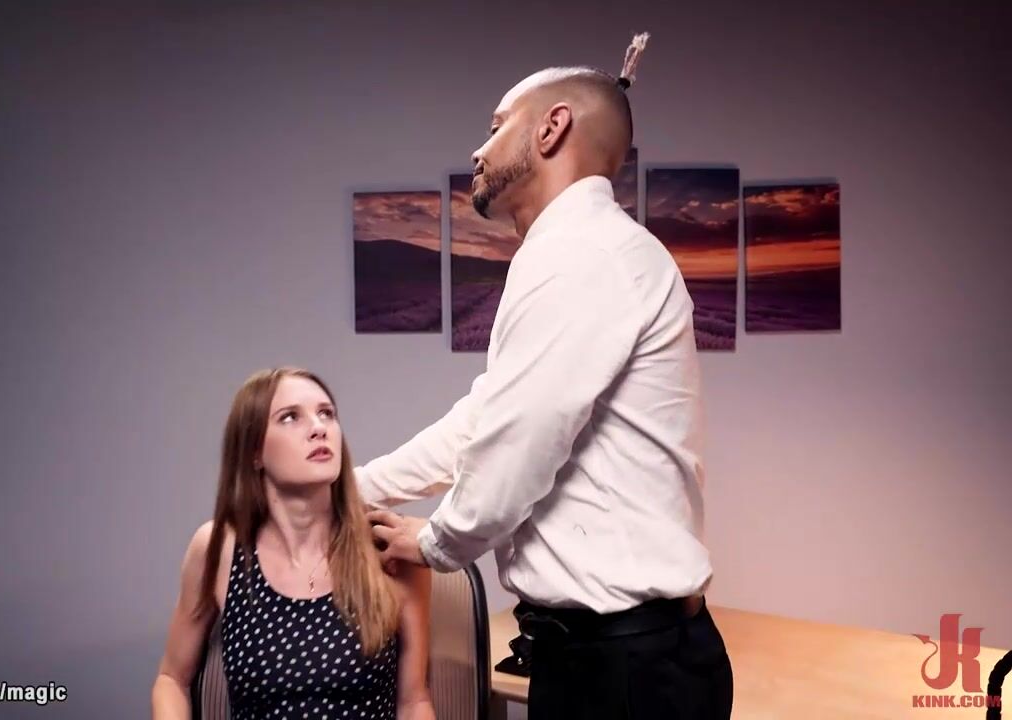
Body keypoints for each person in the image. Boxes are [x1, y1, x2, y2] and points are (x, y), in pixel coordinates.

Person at [358, 34, 735, 719]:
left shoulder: (583, 252)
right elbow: (486, 420)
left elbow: (522, 439)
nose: (478, 150)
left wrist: (437, 542)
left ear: (552, 127)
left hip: (625, 672)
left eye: (496, 126)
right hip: (612, 659)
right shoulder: (575, 251)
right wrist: (354, 489)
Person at [152, 367, 435, 720]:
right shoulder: (219, 548)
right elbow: (171, 680)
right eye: (290, 417)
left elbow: (414, 702)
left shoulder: (388, 547)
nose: (319, 428)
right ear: (254, 451)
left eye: (326, 414)